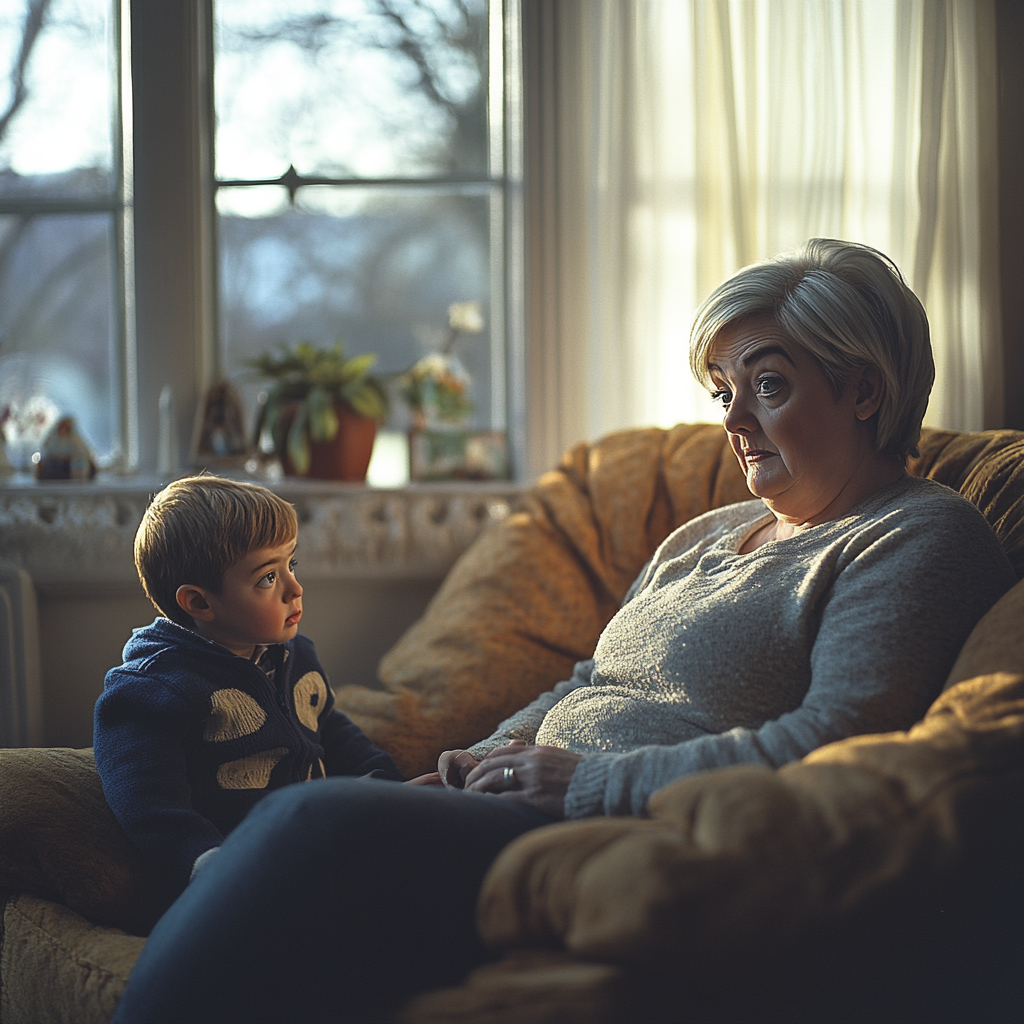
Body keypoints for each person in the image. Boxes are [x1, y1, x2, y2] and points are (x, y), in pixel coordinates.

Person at [111, 240, 1016, 1024]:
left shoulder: (917, 536)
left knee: (309, 818)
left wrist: (583, 785)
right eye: (723, 391)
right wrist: (483, 754)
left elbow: (838, 740)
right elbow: (590, 680)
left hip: (625, 841)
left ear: (865, 389)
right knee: (316, 849)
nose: (733, 422)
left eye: (768, 386)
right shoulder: (703, 534)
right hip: (524, 803)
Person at [94, 475, 402, 891]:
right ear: (200, 603)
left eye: (290, 565)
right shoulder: (153, 689)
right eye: (267, 578)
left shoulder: (297, 655)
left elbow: (327, 727)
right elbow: (146, 802)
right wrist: (206, 862)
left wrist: (381, 782)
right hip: (242, 877)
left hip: (321, 844)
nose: (295, 588)